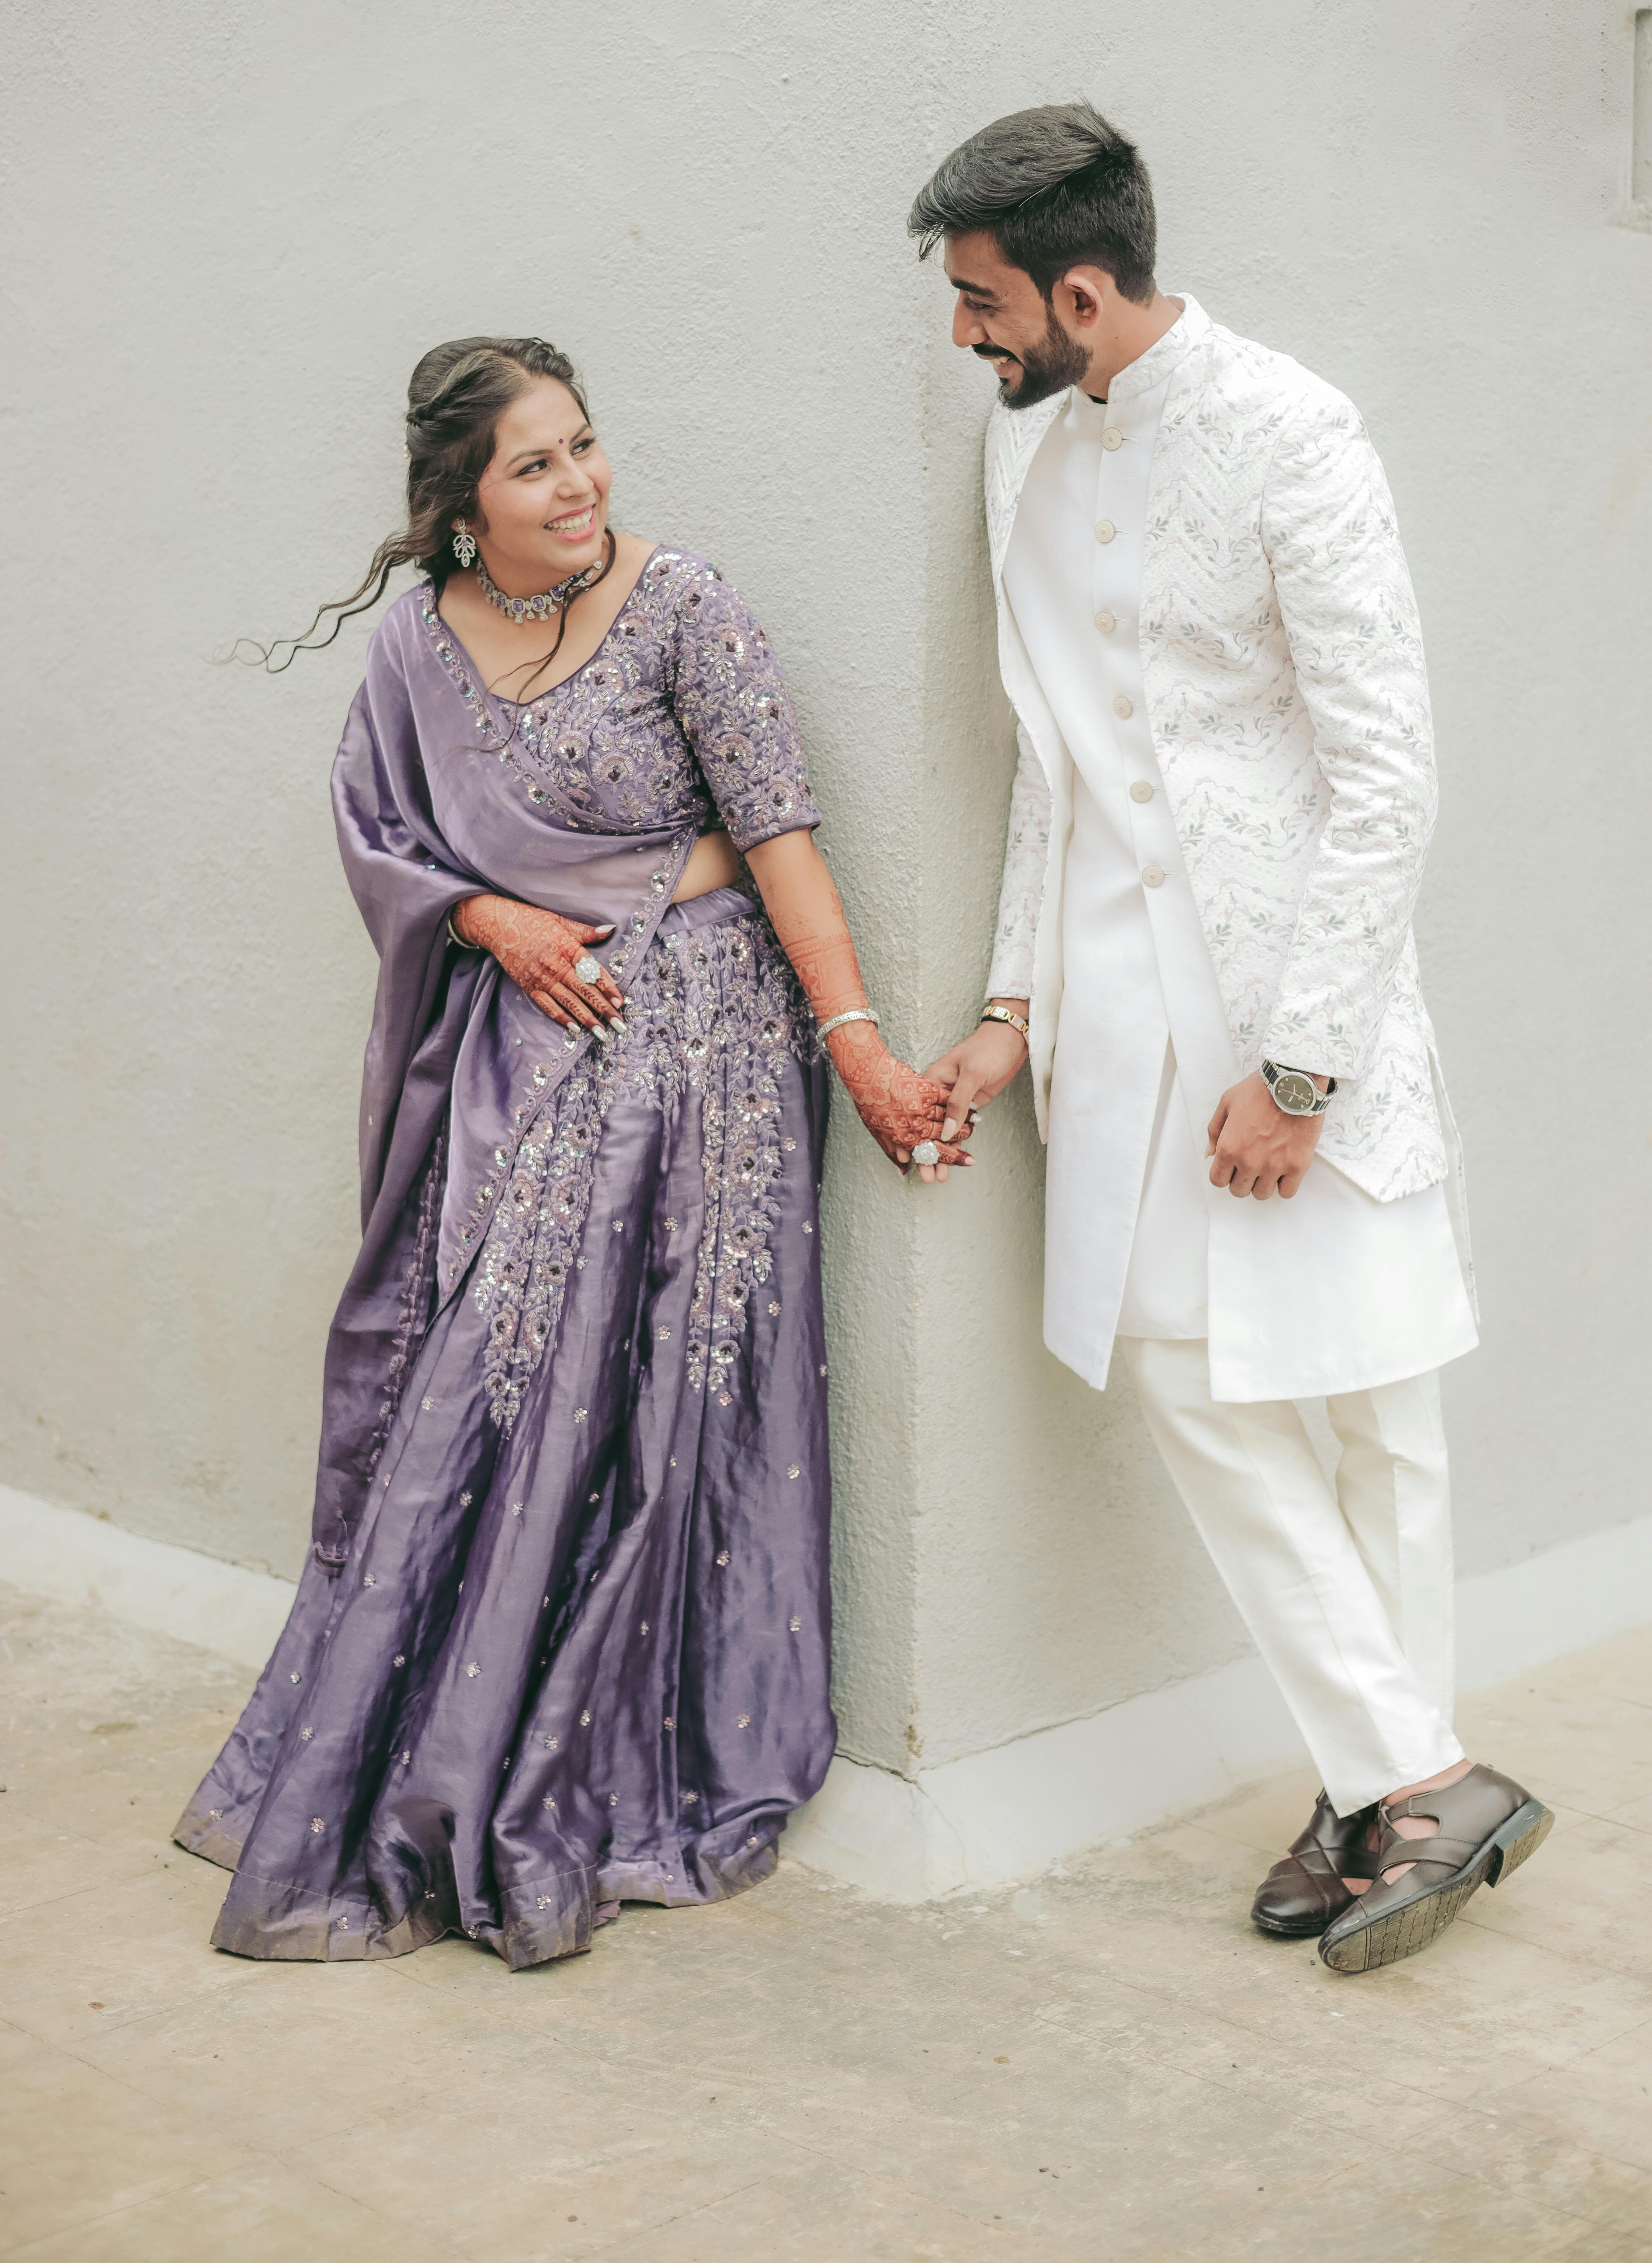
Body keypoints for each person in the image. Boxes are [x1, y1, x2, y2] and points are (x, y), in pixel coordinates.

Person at [175, 336, 960, 1969]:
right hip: (526, 1046)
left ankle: (594, 1764)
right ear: (464, 506)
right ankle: (427, 1767)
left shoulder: (688, 609)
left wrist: (861, 1049)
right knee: (488, 1374)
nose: (581, 483)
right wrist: (490, 914)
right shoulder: (414, 648)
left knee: (657, 1397)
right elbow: (381, 841)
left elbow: (781, 843)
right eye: (535, 465)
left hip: (709, 1044)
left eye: (584, 445)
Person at [907, 106, 1550, 1974]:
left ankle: (1375, 1809)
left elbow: (1387, 775)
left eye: (981, 300)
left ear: (1078, 292)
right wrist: (1014, 1009)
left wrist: (1302, 1070)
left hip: (1295, 1013)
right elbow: (1056, 769)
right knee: (1188, 1378)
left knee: (1376, 1412)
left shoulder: (1294, 432)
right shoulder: (1015, 452)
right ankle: (1417, 1774)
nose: (962, 333)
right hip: (1121, 1015)